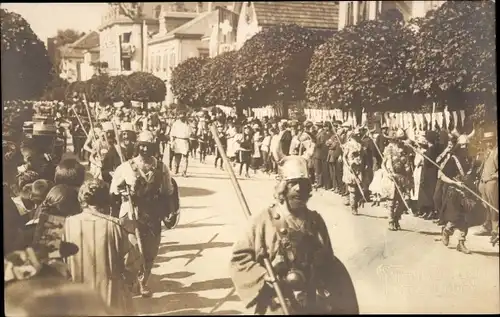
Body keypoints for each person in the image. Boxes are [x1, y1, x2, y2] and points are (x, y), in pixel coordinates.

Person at [229, 156, 358, 314]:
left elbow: (329, 262)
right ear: (282, 187)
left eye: (303, 184)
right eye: (292, 183)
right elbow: (239, 259)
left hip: (311, 301)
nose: (298, 189)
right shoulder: (264, 220)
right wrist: (263, 277)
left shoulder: (315, 221)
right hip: (277, 301)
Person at [110, 131, 175, 297]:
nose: (145, 149)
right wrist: (123, 191)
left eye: (149, 146)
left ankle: (143, 281)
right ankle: (131, 282)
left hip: (152, 214)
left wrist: (170, 211)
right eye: (142, 146)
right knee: (132, 251)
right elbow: (113, 192)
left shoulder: (161, 168)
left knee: (150, 252)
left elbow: (168, 191)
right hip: (131, 214)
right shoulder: (125, 168)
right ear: (138, 146)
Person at [64, 178, 141, 313]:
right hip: (111, 298)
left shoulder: (66, 225)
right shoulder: (116, 226)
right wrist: (127, 284)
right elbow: (133, 263)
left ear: (82, 200)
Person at [439, 131, 476, 254]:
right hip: (454, 193)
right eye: (463, 145)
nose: (465, 148)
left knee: (466, 219)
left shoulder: (471, 160)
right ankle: (446, 231)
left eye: (467, 145)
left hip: (467, 193)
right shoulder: (453, 160)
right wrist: (455, 183)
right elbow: (442, 176)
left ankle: (461, 243)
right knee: (455, 218)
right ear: (459, 146)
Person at [382, 129, 413, 231]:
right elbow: (385, 164)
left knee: (404, 200)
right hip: (392, 177)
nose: (399, 141)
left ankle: (396, 218)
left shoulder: (405, 149)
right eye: (396, 139)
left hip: (403, 177)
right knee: (391, 201)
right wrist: (389, 173)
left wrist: (408, 170)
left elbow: (407, 162)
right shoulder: (388, 149)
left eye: (400, 139)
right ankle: (390, 221)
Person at [476, 131, 498, 246]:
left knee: (493, 207)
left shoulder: (496, 152)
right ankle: (487, 227)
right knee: (486, 206)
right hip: (483, 182)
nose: (489, 143)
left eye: (491, 141)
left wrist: (493, 176)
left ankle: (495, 232)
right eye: (487, 141)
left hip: (492, 183)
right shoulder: (487, 152)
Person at [342, 127, 365, 215]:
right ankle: (353, 207)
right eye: (356, 135)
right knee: (352, 189)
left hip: (359, 168)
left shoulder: (360, 145)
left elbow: (362, 156)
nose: (358, 136)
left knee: (359, 188)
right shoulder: (348, 145)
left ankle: (356, 203)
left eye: (359, 135)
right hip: (350, 168)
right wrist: (348, 166)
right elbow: (344, 157)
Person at [169, 113, 192, 177]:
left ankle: (184, 172)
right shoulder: (175, 124)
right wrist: (172, 142)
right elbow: (172, 133)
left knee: (185, 157)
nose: (182, 118)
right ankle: (176, 169)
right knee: (177, 156)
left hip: (185, 141)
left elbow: (190, 133)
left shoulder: (187, 124)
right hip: (177, 141)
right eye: (181, 117)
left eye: (183, 117)